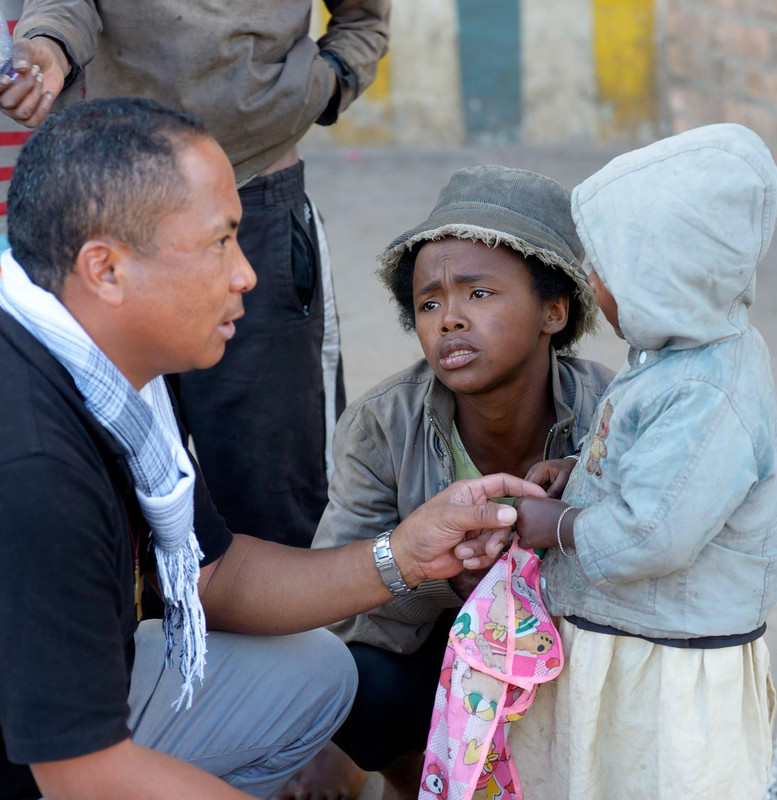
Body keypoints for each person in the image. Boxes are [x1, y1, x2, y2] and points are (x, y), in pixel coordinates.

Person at [0, 97, 544, 800]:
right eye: (219, 242)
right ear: (105, 270)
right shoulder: (34, 461)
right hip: (44, 759)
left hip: (44, 718)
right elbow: (84, 772)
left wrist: (405, 555)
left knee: (314, 673)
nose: (246, 275)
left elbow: (211, 575)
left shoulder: (105, 377)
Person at [0, 0, 390, 549]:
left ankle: (287, 623)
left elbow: (364, 19)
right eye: (219, 248)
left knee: (273, 493)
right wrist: (50, 47)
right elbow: (68, 7)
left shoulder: (241, 258)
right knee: (119, 490)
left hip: (259, 186)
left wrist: (325, 84)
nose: (240, 279)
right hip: (120, 203)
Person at [310, 165, 614, 799]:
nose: (448, 320)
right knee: (343, 682)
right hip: (437, 653)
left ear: (553, 311)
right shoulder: (379, 426)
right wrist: (435, 575)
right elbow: (333, 602)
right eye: (429, 302)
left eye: (479, 294)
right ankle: (418, 776)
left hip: (569, 661)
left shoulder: (610, 411)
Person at [510, 123, 777, 798]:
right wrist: (579, 473)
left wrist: (558, 525)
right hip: (637, 643)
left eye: (607, 271)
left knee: (653, 778)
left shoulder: (708, 393)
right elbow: (653, 466)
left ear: (666, 281)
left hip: (669, 667)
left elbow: (653, 533)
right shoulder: (680, 351)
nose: (590, 281)